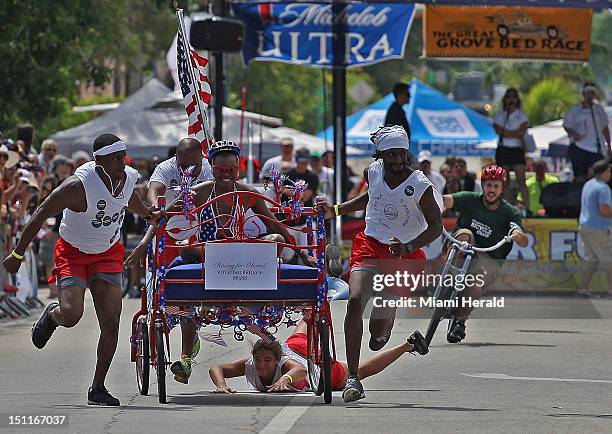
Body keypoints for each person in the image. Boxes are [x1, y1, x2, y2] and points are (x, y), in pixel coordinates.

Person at [127, 140, 314, 384]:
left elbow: (273, 225)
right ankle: (186, 353)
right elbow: (162, 219)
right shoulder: (199, 192)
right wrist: (143, 244)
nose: (226, 175)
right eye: (220, 170)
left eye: (231, 170)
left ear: (238, 168)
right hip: (209, 253)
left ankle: (260, 332)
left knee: (275, 237)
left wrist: (302, 254)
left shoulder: (248, 193)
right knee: (188, 249)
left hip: (243, 253)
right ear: (212, 167)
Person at [2, 133, 161, 406]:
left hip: (108, 252)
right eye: (116, 159)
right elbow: (40, 213)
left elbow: (129, 200)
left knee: (111, 322)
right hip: (73, 252)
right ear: (99, 161)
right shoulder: (77, 185)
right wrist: (17, 253)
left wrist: (148, 213)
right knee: (72, 314)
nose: (122, 162)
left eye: (123, 157)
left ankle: (97, 388)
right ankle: (53, 315)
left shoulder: (128, 177)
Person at [316, 125, 442, 403]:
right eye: (391, 154)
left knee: (377, 332)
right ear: (380, 154)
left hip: (404, 255)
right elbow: (371, 197)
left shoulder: (420, 185)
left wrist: (408, 245)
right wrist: (335, 210)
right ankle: (353, 377)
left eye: (401, 153)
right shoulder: (373, 172)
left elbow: (435, 227)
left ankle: (387, 319)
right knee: (355, 300)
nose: (397, 159)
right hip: (370, 244)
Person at [144, 137, 214, 381]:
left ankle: (185, 358)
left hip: (199, 236)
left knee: (189, 297)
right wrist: (155, 205)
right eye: (182, 163)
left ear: (200, 157)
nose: (186, 170)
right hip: (167, 236)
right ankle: (164, 337)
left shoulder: (209, 168)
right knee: (168, 294)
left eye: (191, 165)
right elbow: (154, 188)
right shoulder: (166, 168)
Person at [208, 319, 428, 394]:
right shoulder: (251, 364)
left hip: (311, 363)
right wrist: (220, 384)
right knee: (300, 332)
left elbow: (300, 370)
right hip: (295, 345)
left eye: (267, 361)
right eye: (258, 361)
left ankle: (407, 346)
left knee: (359, 371)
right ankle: (312, 308)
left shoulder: (284, 363)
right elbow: (215, 369)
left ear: (276, 360)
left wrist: (285, 379)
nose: (261, 366)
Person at [441, 165, 528, 343]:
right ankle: (448, 280)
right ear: (483, 186)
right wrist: (437, 208)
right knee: (465, 233)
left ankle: (460, 321)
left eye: (496, 186)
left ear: (502, 188)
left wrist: (518, 235)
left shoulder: (509, 212)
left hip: (489, 259)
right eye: (488, 185)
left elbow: (523, 237)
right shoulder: (470, 199)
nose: (491, 190)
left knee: (476, 279)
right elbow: (444, 200)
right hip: (462, 246)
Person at [577, 160, 612, 297]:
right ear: (604, 172)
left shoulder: (588, 184)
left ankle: (583, 289)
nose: (610, 174)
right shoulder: (603, 188)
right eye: (609, 171)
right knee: (609, 258)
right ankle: (611, 290)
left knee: (590, 259)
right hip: (599, 228)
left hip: (585, 226)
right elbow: (604, 210)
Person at [563, 82, 611, 182]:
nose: (590, 95)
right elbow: (567, 125)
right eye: (588, 93)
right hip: (579, 146)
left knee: (594, 174)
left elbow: (605, 128)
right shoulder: (575, 109)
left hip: (596, 147)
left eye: (592, 93)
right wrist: (574, 134)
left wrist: (609, 146)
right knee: (580, 175)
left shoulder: (598, 109)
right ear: (584, 94)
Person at [493, 88, 530, 212]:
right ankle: (508, 207)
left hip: (517, 149)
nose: (511, 99)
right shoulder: (500, 115)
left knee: (521, 180)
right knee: (504, 180)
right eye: (509, 96)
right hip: (503, 149)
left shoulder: (521, 114)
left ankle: (527, 208)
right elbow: (498, 130)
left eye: (514, 96)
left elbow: (521, 132)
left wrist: (508, 133)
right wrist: (513, 133)